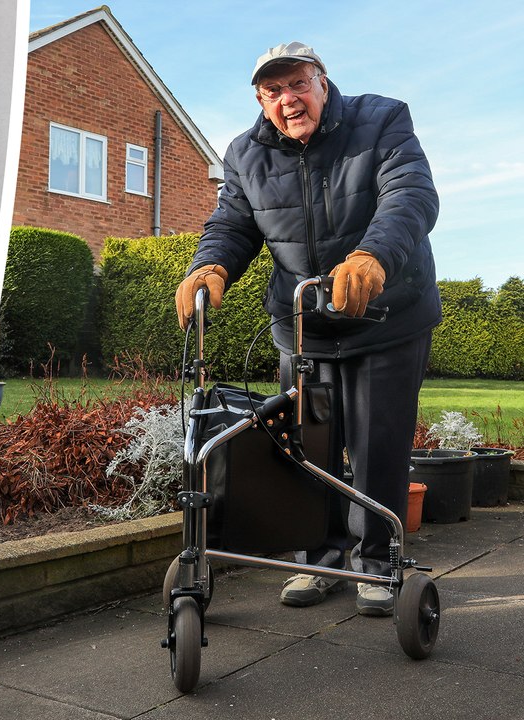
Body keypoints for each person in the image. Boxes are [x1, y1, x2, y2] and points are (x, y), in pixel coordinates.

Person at [174, 42, 440, 616]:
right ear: (260, 101)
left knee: (377, 446)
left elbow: (410, 196)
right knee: (305, 445)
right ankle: (318, 561)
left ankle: (377, 563)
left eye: (297, 84)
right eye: (273, 92)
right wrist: (211, 264)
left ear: (322, 81)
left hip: (386, 317)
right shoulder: (245, 153)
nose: (288, 100)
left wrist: (374, 256)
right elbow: (233, 221)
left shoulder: (382, 120)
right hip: (304, 323)